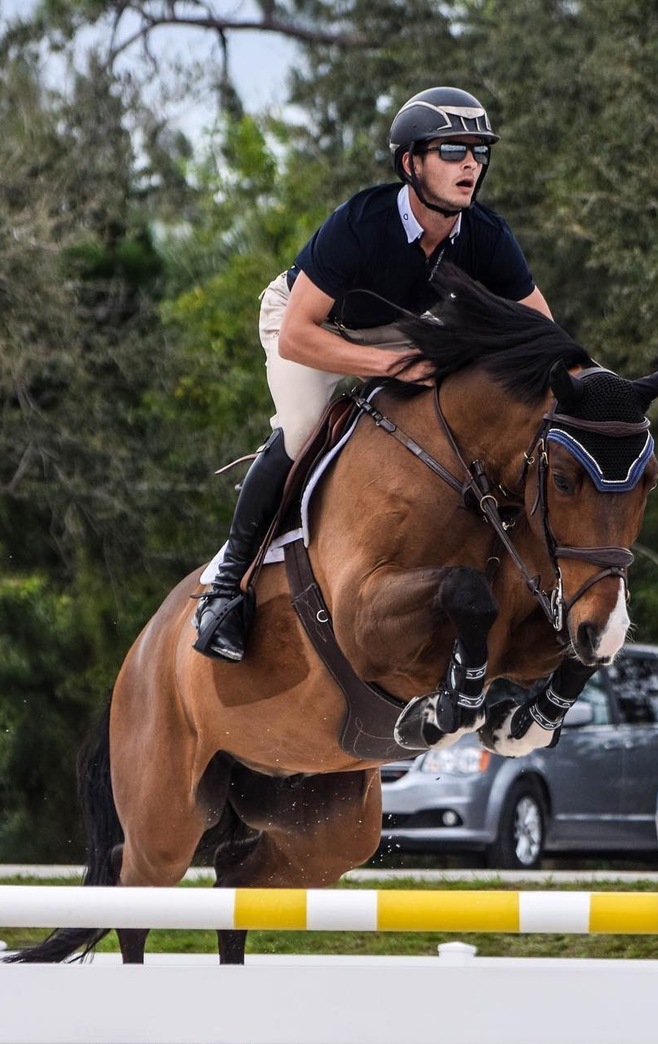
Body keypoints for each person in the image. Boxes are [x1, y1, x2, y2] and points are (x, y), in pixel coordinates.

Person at [193, 85, 552, 663]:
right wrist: (386, 365)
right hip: (308, 324)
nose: (470, 166)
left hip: (394, 327)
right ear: (411, 163)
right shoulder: (361, 222)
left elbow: (541, 332)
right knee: (302, 427)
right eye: (454, 151)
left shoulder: (486, 234)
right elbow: (297, 335)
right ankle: (226, 588)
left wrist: (583, 384)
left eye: (479, 153)